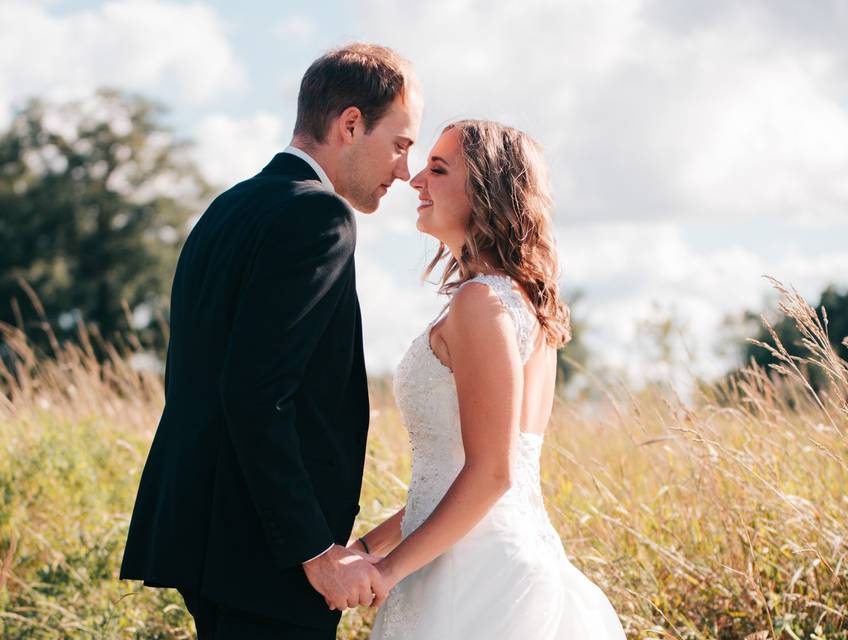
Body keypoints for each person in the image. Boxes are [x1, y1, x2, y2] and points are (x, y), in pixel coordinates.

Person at [119, 43, 423, 639]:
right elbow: (256, 391)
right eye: (400, 144)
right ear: (350, 124)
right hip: (265, 555)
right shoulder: (319, 217)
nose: (403, 170)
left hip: (209, 537)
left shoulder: (227, 208)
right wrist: (315, 551)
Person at [362, 120, 627, 639]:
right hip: (469, 553)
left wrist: (386, 573)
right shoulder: (513, 301)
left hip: (476, 578)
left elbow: (493, 475)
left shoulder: (483, 304)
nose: (416, 180)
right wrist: (369, 549)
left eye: (437, 169)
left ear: (486, 190)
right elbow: (452, 477)